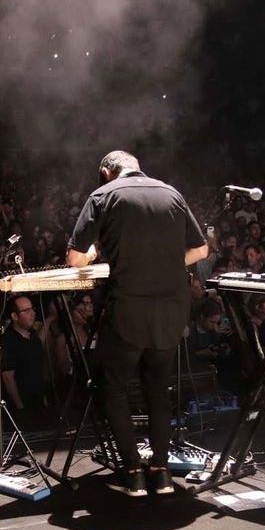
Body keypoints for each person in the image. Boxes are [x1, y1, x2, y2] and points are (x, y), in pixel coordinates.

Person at [66, 150, 209, 496]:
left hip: (128, 310)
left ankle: (133, 473)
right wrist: (164, 263)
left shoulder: (103, 195)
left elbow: (73, 258)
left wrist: (95, 254)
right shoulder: (171, 193)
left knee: (113, 388)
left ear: (107, 171)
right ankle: (160, 474)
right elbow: (201, 250)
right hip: (171, 312)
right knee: (158, 390)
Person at [0, 294, 46, 410]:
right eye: (26, 310)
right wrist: (20, 406)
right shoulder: (7, 340)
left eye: (32, 309)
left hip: (38, 398)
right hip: (22, 402)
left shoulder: (33, 334)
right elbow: (8, 377)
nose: (32, 313)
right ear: (15, 316)